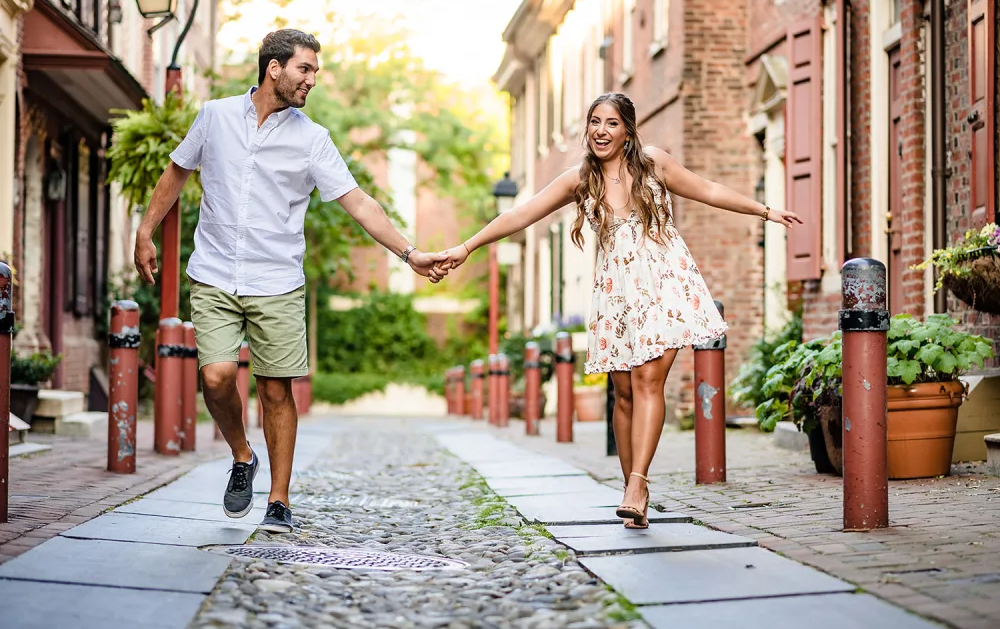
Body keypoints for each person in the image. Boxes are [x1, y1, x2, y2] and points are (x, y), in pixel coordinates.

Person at [436, 92, 802, 528]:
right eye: (594, 122)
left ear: (627, 130)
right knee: (624, 392)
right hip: (616, 293)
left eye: (611, 123)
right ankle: (633, 490)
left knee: (649, 381)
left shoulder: (654, 164)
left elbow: (707, 189)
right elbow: (520, 214)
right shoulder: (578, 180)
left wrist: (764, 210)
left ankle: (638, 482)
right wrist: (465, 247)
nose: (601, 131)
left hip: (666, 282)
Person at [134, 29, 449, 533]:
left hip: (277, 280)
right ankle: (242, 455)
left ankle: (278, 500)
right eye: (305, 69)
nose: (312, 80)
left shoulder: (312, 139)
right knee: (215, 377)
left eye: (316, 72)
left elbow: (359, 202)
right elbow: (176, 172)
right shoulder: (214, 117)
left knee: (276, 390)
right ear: (274, 69)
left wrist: (408, 253)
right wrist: (145, 232)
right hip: (215, 271)